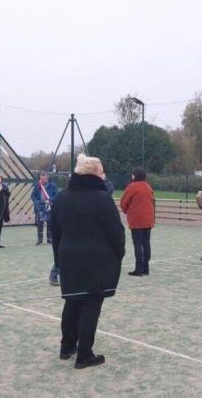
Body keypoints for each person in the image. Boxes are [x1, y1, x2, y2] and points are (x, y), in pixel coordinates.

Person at [49, 153, 125, 369]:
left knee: (72, 302)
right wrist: (119, 253)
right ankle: (84, 354)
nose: (104, 175)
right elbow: (116, 232)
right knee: (91, 304)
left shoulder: (62, 197)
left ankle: (67, 347)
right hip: (96, 260)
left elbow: (55, 232)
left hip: (69, 257)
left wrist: (58, 259)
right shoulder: (102, 199)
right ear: (94, 174)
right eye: (102, 172)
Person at [120, 168, 155, 276]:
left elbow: (123, 202)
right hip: (148, 219)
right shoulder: (148, 186)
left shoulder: (132, 186)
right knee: (146, 243)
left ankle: (138, 269)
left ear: (134, 176)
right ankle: (146, 268)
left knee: (138, 244)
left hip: (137, 219)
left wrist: (126, 210)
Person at [31, 172, 58, 246]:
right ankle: (40, 240)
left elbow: (56, 195)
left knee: (50, 224)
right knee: (39, 224)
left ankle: (50, 239)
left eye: (43, 178)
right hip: (40, 207)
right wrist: (38, 202)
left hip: (49, 207)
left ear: (47, 178)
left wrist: (50, 200)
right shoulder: (37, 186)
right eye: (40, 178)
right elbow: (33, 196)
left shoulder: (53, 186)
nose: (41, 180)